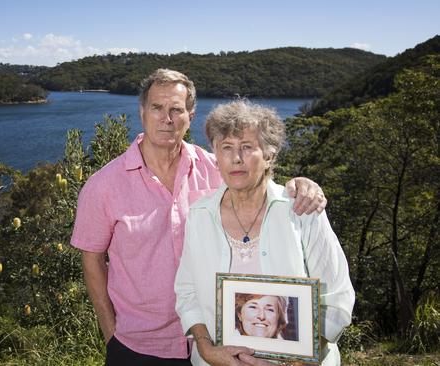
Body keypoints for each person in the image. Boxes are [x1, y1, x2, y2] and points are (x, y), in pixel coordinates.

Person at [71, 69, 327, 365]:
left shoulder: (215, 169)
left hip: (216, 344)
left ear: (190, 116)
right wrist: (111, 334)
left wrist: (300, 185)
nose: (166, 118)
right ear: (142, 112)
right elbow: (92, 259)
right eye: (156, 107)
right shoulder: (103, 186)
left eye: (176, 109)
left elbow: (260, 188)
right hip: (138, 345)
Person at [174, 100, 355, 366]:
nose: (236, 158)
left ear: (269, 155)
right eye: (226, 148)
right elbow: (187, 293)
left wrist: (301, 359)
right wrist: (206, 349)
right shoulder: (200, 215)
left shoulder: (301, 209)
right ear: (215, 155)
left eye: (247, 147)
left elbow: (337, 296)